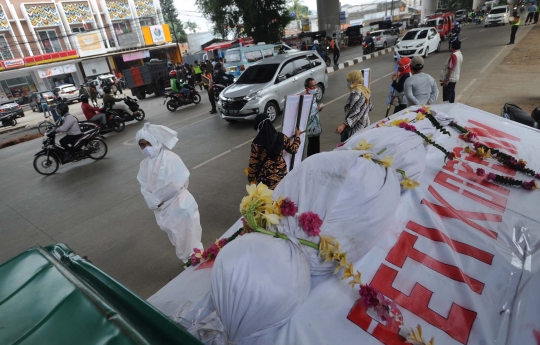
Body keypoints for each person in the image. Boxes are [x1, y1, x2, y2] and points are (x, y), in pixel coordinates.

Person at [136, 123, 203, 262]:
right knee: (179, 240)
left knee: (191, 241)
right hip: (163, 210)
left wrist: (158, 200)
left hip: (180, 206)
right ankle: (189, 264)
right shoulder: (144, 164)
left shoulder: (170, 158)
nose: (145, 147)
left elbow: (173, 184)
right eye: (142, 145)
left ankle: (197, 265)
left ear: (156, 141)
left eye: (148, 143)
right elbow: (144, 186)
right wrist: (153, 201)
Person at [248, 114, 302, 190]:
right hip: (281, 177)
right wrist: (297, 137)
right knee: (281, 199)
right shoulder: (281, 137)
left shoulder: (256, 143)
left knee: (268, 201)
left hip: (264, 181)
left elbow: (253, 164)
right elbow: (294, 149)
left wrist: (251, 179)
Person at [336, 70, 372, 142]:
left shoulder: (356, 93)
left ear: (353, 80)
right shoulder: (364, 89)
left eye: (348, 80)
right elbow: (370, 107)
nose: (348, 83)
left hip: (357, 126)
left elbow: (355, 112)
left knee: (355, 146)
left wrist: (344, 125)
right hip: (365, 122)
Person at [304, 78, 322, 156]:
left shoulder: (313, 97)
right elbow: (306, 115)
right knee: (312, 148)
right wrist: (317, 110)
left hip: (316, 128)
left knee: (315, 147)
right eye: (312, 86)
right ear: (307, 88)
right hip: (311, 129)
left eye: (315, 85)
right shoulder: (306, 100)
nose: (315, 88)